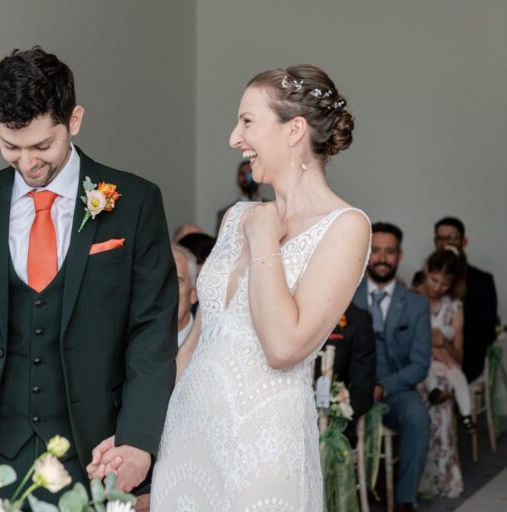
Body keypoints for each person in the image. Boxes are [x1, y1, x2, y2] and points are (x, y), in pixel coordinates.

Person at [0, 47, 177, 505]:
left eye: (42, 146)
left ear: (74, 120)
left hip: (96, 451)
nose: (27, 162)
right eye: (10, 146)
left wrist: (137, 439)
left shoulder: (135, 202)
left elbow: (151, 335)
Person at [150, 64, 370, 511]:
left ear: (294, 131)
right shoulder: (236, 217)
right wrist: (137, 433)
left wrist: (266, 238)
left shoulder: (346, 227)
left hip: (263, 443)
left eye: (247, 121)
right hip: (187, 436)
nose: (234, 138)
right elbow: (200, 336)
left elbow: (284, 346)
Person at [353, 223, 431, 511]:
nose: (382, 258)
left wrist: (384, 387)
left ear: (399, 256)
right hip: (352, 387)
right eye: (375, 251)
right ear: (365, 255)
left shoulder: (415, 305)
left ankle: (404, 500)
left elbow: (421, 364)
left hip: (395, 388)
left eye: (389, 252)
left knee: (418, 417)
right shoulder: (346, 295)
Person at [413, 217, 498, 382]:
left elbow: (487, 329)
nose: (445, 243)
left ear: (463, 242)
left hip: (466, 357)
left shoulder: (482, 280)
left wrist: (451, 345)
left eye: (451, 238)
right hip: (424, 355)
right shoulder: (421, 277)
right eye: (440, 238)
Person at [416, 247, 470, 499]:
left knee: (443, 398)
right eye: (434, 280)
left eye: (444, 284)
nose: (437, 288)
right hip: (416, 368)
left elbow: (459, 356)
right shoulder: (410, 297)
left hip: (443, 370)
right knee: (432, 392)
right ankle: (421, 477)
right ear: (427, 271)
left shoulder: (454, 308)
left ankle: (443, 478)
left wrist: (442, 341)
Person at [314, 303, 376, 446]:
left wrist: (335, 410)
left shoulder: (358, 320)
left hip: (337, 425)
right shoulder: (294, 312)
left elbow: (362, 393)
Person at [215, 160, 266, 234]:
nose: (247, 177)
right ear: (237, 178)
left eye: (250, 173)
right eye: (242, 174)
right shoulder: (225, 213)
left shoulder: (276, 207)